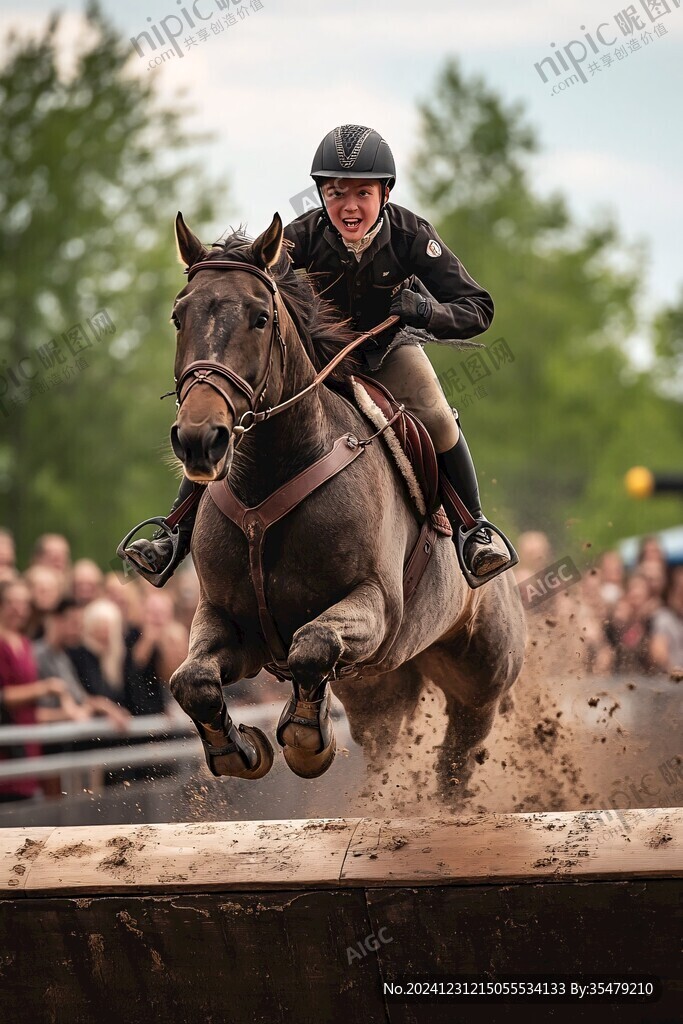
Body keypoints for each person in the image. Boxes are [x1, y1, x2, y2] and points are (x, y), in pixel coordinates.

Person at [123, 125, 513, 586]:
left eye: (362, 193)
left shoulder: (412, 235)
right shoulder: (298, 239)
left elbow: (479, 308)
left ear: (385, 192)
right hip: (317, 363)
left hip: (386, 353)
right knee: (230, 412)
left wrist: (426, 310)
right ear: (321, 195)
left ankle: (474, 531)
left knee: (435, 413)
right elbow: (252, 285)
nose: (349, 206)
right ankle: (175, 532)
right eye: (335, 192)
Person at [650, 566, 683, 674]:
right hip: (670, 682)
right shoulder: (664, 618)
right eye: (680, 593)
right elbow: (658, 652)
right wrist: (674, 671)